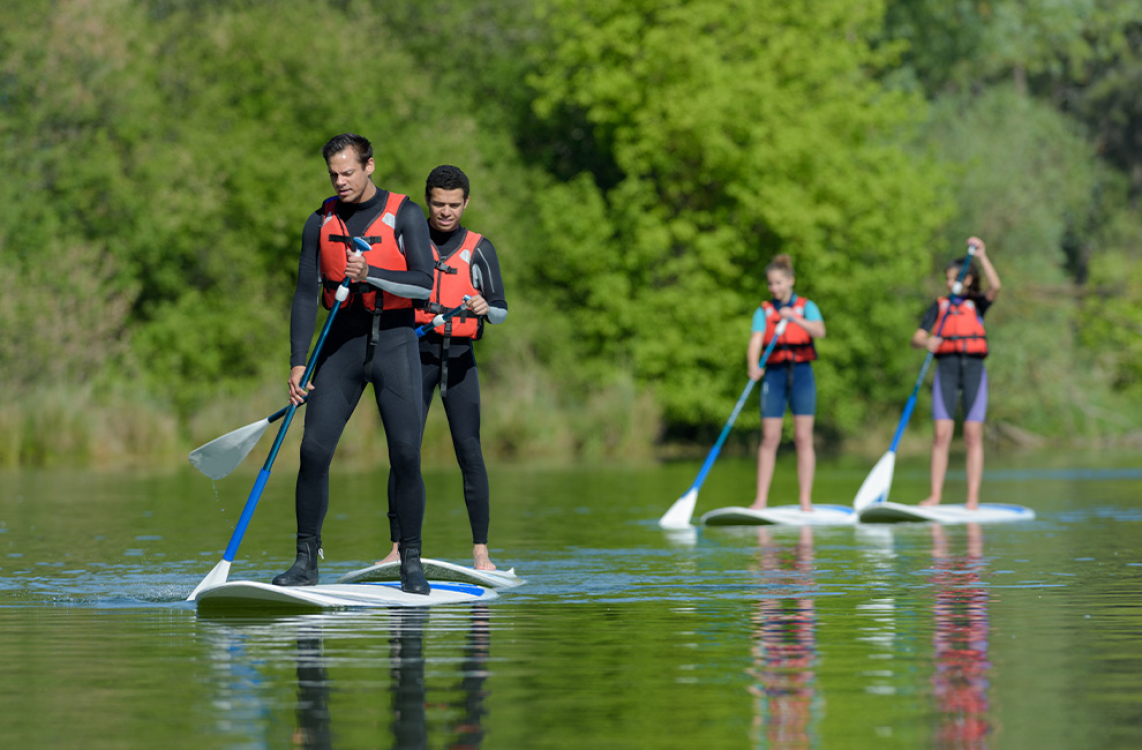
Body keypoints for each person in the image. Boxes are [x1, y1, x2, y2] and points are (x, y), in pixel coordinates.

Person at [274, 133, 435, 594]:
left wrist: (373, 274)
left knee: (405, 454)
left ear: (369, 167)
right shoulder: (318, 221)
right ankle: (305, 561)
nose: (341, 181)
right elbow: (306, 295)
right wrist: (299, 362)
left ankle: (411, 561)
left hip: (396, 343)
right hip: (340, 344)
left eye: (348, 172)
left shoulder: (404, 214)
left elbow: (424, 284)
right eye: (334, 174)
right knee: (312, 451)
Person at [378, 165, 509, 571]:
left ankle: (481, 553)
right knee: (404, 451)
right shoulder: (408, 240)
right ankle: (398, 547)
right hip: (413, 358)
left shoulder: (480, 248)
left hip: (459, 361)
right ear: (427, 202)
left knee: (470, 452)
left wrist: (486, 308)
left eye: (454, 205)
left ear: (465, 203)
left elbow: (501, 309)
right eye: (438, 204)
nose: (446, 212)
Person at [911, 236, 1000, 509]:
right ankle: (935, 495)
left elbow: (995, 286)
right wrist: (927, 342)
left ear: (968, 279)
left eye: (953, 278)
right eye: (947, 279)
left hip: (974, 370)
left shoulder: (978, 304)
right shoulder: (939, 306)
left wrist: (982, 255)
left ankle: (972, 498)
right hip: (946, 370)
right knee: (942, 434)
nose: (949, 283)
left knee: (973, 434)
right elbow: (917, 337)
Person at [747, 255, 826, 512]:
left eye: (779, 283)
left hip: (802, 373)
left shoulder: (806, 306)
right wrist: (753, 364)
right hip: (774, 374)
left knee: (803, 438)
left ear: (790, 281)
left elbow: (819, 331)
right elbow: (756, 341)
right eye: (771, 284)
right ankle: (760, 500)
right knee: (770, 438)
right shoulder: (764, 311)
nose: (774, 288)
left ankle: (805, 500)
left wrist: (793, 318)